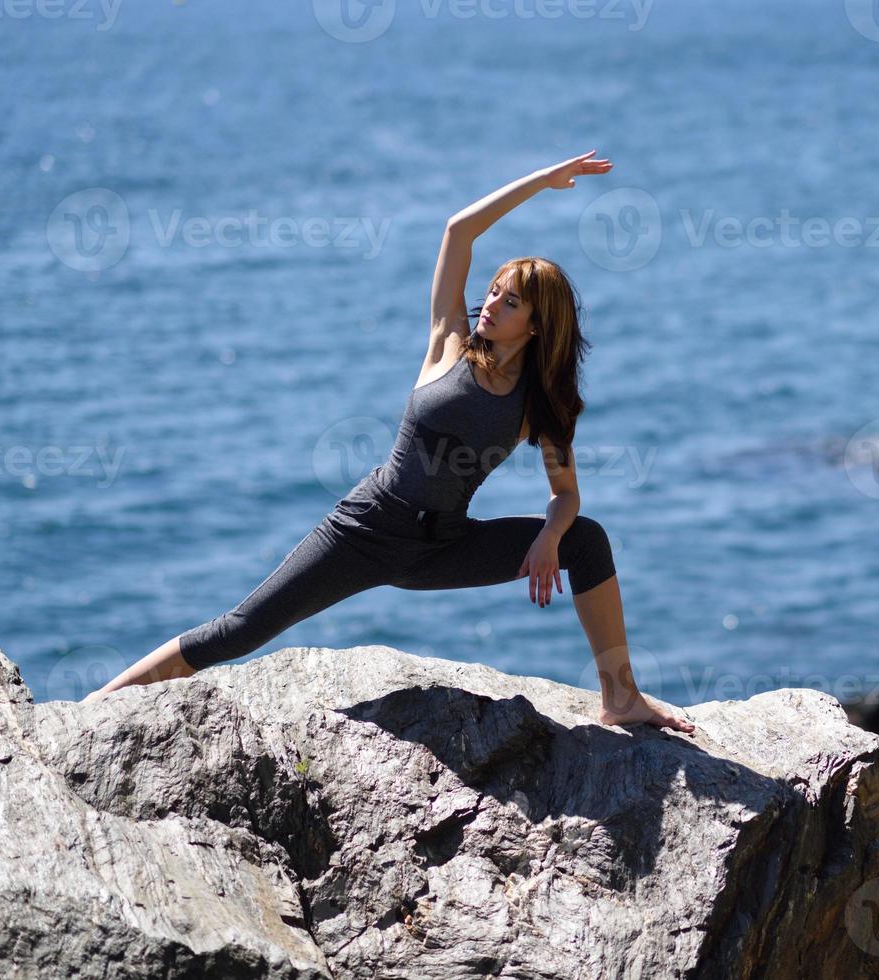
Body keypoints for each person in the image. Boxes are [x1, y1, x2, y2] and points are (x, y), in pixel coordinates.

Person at [85, 150, 695, 735]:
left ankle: (620, 697)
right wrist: (542, 180)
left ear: (536, 325)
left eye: (511, 302)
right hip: (368, 527)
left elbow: (567, 496)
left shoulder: (541, 405)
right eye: (493, 291)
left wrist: (550, 534)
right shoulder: (449, 340)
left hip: (444, 545)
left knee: (586, 541)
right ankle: (93, 709)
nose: (491, 304)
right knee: (240, 630)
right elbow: (458, 232)